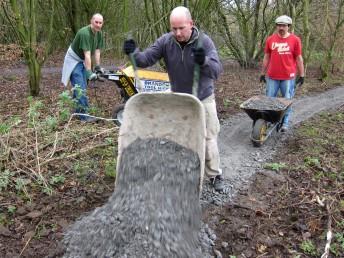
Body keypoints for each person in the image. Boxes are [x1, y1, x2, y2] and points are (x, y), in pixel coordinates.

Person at [123, 6, 224, 192]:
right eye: (174, 28)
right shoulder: (166, 41)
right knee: (180, 138)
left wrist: (204, 62)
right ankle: (184, 172)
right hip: (180, 99)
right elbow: (145, 60)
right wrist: (133, 52)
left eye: (181, 28)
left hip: (203, 98)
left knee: (209, 138)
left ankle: (215, 175)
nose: (177, 33)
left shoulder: (205, 42)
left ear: (191, 24)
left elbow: (217, 71)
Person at [260, 15, 305, 132]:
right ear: (276, 26)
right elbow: (266, 57)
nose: (281, 27)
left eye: (284, 25)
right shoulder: (270, 39)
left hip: (288, 77)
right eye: (279, 25)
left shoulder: (295, 40)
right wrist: (262, 73)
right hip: (272, 76)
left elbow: (299, 58)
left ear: (288, 26)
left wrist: (302, 75)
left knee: (287, 99)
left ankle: (285, 123)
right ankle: (270, 121)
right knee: (270, 100)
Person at [61, 13, 105, 122]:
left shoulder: (99, 34)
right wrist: (89, 72)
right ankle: (84, 117)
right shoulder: (84, 33)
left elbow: (97, 51)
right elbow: (87, 55)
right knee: (80, 86)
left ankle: (77, 111)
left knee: (82, 85)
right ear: (91, 21)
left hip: (83, 59)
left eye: (100, 23)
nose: (98, 25)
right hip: (74, 60)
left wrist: (98, 67)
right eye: (96, 22)